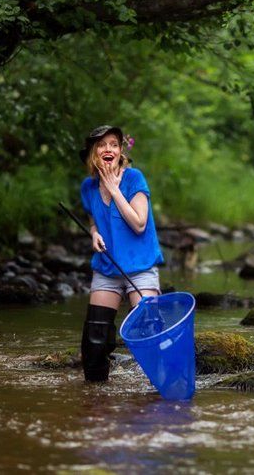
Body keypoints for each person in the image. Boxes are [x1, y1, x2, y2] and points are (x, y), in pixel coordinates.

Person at [78, 125, 164, 382]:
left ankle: (159, 392)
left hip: (140, 266)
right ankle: (96, 397)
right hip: (107, 267)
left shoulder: (134, 178)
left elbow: (139, 224)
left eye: (114, 144)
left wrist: (115, 190)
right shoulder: (88, 187)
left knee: (149, 332)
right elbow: (94, 220)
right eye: (102, 145)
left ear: (120, 151)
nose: (109, 149)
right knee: (94, 342)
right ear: (94, 152)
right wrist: (94, 233)